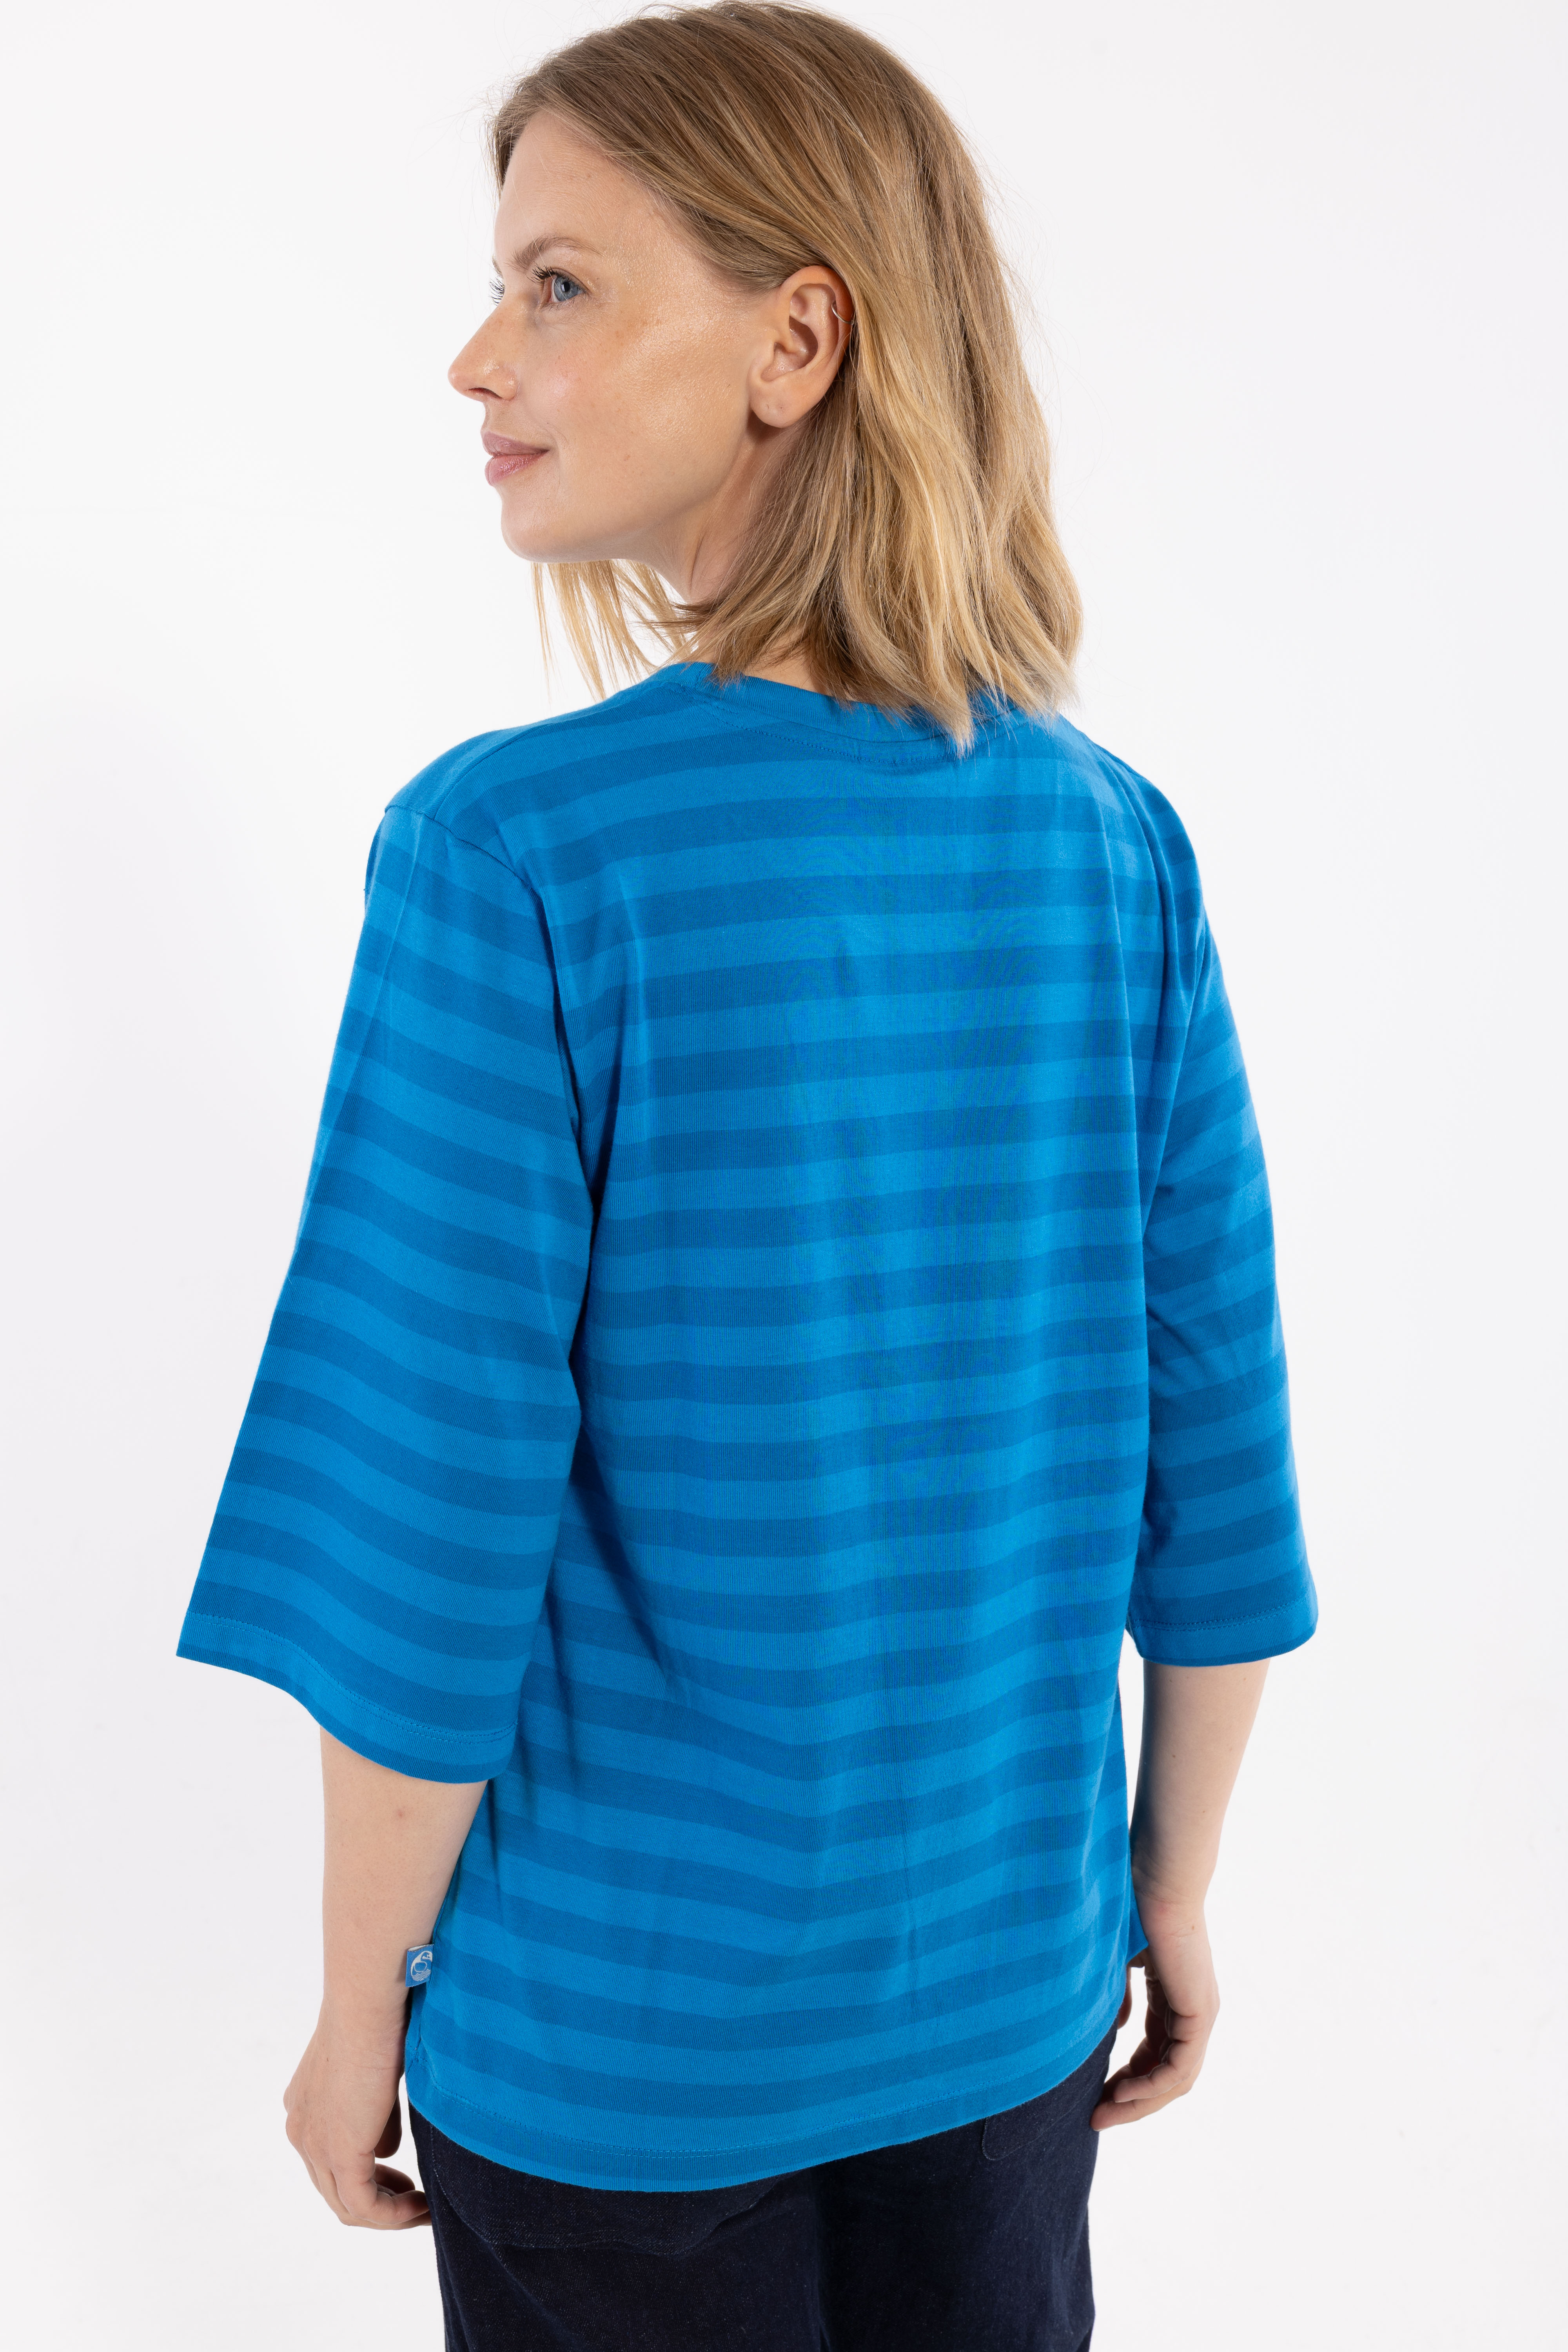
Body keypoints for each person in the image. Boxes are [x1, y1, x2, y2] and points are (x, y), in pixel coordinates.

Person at [176, 6, 1317, 2345]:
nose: (478, 357)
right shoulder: (1115, 847)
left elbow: (427, 1513)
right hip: (1003, 2014)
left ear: (800, 340)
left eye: (559, 285)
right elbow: (1219, 1460)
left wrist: (357, 2002)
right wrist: (1171, 1890)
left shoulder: (512, 855)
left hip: (620, 2060)